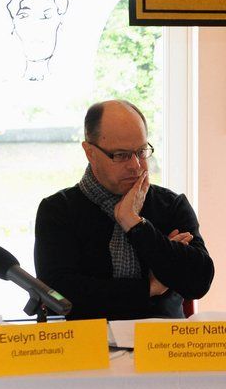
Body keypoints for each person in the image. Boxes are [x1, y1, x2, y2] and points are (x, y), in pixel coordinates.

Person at [35, 100, 214, 319]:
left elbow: (198, 283)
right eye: (121, 155)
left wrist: (133, 223)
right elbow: (60, 296)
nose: (136, 165)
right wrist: (148, 287)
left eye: (141, 151)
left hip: (163, 338)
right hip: (89, 337)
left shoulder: (170, 205)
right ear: (90, 152)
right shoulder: (58, 210)